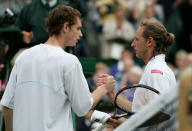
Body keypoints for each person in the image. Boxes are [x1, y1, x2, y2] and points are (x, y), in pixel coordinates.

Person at [0, 5, 115, 131]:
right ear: (65, 27)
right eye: (78, 28)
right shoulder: (70, 61)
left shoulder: (23, 58)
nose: (81, 34)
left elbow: (7, 106)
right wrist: (104, 88)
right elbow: (82, 108)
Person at [107, 19, 177, 129]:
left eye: (136, 39)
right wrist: (111, 93)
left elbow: (159, 117)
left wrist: (123, 124)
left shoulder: (155, 72)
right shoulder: (154, 68)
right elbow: (138, 110)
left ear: (149, 41)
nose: (132, 44)